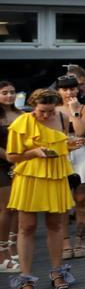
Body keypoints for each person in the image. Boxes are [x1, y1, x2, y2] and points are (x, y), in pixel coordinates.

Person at [6, 90, 78, 289]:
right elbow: (12, 156)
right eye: (41, 111)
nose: (45, 116)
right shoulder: (22, 122)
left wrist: (70, 145)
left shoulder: (62, 117)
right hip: (29, 177)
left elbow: (61, 146)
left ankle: (57, 271)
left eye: (49, 111)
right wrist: (34, 153)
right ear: (32, 106)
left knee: (55, 225)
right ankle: (26, 278)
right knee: (26, 227)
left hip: (55, 176)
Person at [55, 75, 85, 260]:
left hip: (82, 154)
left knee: (82, 200)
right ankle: (64, 241)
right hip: (60, 154)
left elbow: (80, 131)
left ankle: (80, 239)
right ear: (58, 91)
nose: (69, 92)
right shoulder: (52, 109)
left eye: (72, 88)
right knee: (62, 203)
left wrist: (74, 111)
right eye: (64, 89)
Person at [0, 82, 23, 273]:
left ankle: (14, 245)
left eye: (12, 92)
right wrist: (10, 157)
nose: (9, 96)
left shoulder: (21, 114)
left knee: (18, 207)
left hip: (21, 163)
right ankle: (2, 253)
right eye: (4, 93)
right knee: (6, 209)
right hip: (2, 164)